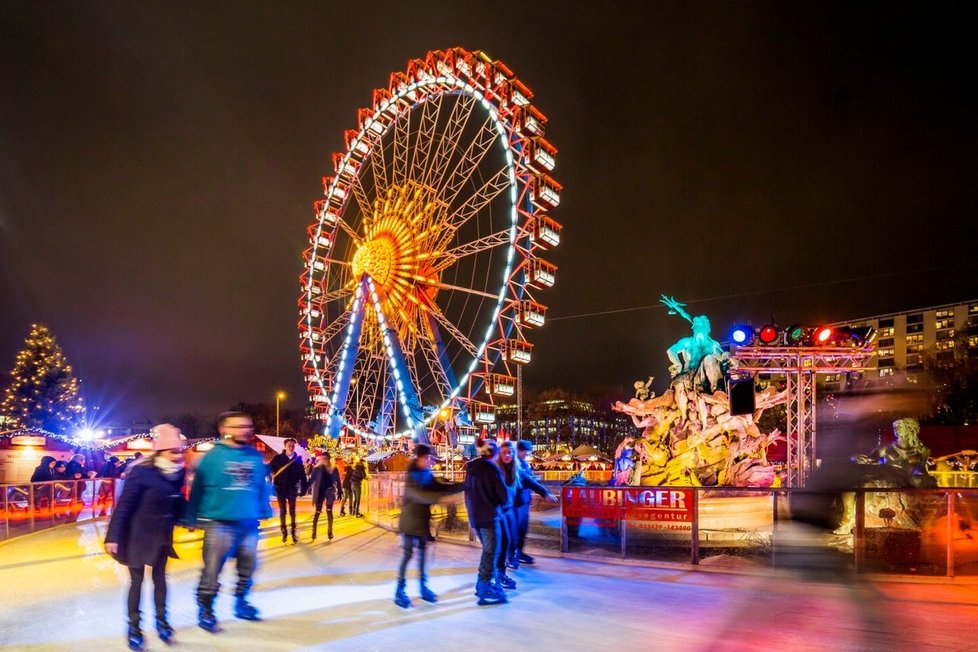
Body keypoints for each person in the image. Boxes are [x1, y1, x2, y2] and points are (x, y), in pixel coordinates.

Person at [184, 411, 272, 632]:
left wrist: (264, 508)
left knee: (248, 569)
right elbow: (197, 490)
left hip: (249, 523)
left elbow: (260, 486)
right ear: (224, 430)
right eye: (239, 426)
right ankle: (206, 609)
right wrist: (191, 516)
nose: (245, 430)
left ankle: (241, 602)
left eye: (248, 426)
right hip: (219, 523)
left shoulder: (253, 456)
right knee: (212, 571)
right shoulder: (211, 458)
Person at [104, 425, 188, 650]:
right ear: (160, 451)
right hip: (137, 536)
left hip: (161, 535)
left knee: (160, 580)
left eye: (180, 451)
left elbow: (177, 501)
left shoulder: (178, 473)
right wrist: (112, 536)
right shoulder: (142, 472)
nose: (178, 456)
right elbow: (125, 505)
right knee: (137, 581)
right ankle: (134, 627)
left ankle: (162, 622)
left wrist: (190, 518)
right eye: (173, 451)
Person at [393, 443, 464, 608]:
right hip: (409, 523)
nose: (430, 461)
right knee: (407, 555)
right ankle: (399, 590)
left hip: (422, 522)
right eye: (427, 458)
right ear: (419, 458)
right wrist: (441, 499)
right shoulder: (411, 476)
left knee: (423, 555)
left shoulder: (426, 474)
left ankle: (423, 587)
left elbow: (440, 487)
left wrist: (462, 486)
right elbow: (420, 496)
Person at [463, 439, 509, 605]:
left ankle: (484, 583)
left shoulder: (471, 469)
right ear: (494, 453)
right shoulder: (492, 469)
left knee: (488, 550)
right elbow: (503, 495)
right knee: (492, 551)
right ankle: (484, 586)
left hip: (475, 518)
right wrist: (504, 503)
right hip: (489, 516)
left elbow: (467, 494)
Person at [511, 440, 558, 567]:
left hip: (525, 501)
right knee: (514, 531)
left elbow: (530, 480)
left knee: (522, 530)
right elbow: (525, 480)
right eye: (524, 452)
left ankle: (519, 553)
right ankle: (510, 556)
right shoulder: (514, 464)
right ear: (519, 451)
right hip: (516, 503)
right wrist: (544, 492)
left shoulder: (525, 464)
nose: (526, 454)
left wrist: (536, 482)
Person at [493, 442, 520, 590]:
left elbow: (527, 480)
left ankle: (499, 573)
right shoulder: (496, 470)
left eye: (510, 452)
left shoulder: (515, 470)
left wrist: (543, 491)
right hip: (497, 511)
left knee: (508, 540)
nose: (507, 455)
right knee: (500, 543)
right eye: (504, 452)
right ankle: (495, 576)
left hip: (508, 510)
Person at [269, 437, 306, 544]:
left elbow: (302, 475)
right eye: (289, 445)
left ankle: (293, 532)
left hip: (292, 489)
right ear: (285, 446)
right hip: (280, 488)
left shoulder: (298, 460)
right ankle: (284, 531)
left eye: (293, 445)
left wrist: (303, 488)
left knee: (292, 512)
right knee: (283, 511)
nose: (291, 447)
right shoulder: (277, 458)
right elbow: (270, 469)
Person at [308, 452, 343, 541]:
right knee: (318, 512)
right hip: (319, 492)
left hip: (329, 491)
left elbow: (338, 480)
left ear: (328, 459)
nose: (323, 461)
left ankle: (330, 532)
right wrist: (304, 489)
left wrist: (340, 491)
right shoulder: (317, 469)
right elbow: (311, 481)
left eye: (325, 459)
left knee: (329, 511)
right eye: (322, 459)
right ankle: (314, 532)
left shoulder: (333, 469)